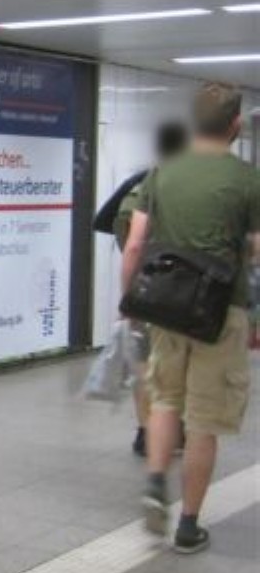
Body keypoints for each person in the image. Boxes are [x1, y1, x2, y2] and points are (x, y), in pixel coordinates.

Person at [122, 83, 260, 554]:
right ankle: (188, 526)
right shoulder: (248, 179)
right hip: (221, 313)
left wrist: (129, 302)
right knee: (204, 420)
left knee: (165, 400)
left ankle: (155, 481)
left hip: (166, 308)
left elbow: (135, 244)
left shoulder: (162, 171)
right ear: (235, 125)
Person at [93, 121, 188, 455]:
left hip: (143, 289)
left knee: (143, 362)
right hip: (182, 293)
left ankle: (146, 432)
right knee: (176, 364)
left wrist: (127, 298)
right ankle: (173, 429)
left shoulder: (135, 188)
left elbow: (129, 246)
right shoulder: (187, 191)